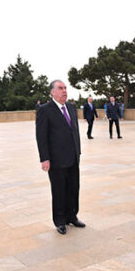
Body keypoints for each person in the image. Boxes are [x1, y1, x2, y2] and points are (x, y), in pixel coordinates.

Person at [36, 80, 85, 235]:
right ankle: (60, 220)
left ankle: (72, 216)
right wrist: (45, 158)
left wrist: (78, 151)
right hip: (56, 159)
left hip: (73, 157)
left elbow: (74, 131)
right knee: (59, 190)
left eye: (65, 88)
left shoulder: (71, 107)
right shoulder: (45, 110)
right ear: (52, 92)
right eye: (60, 88)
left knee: (73, 188)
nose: (64, 91)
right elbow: (41, 136)